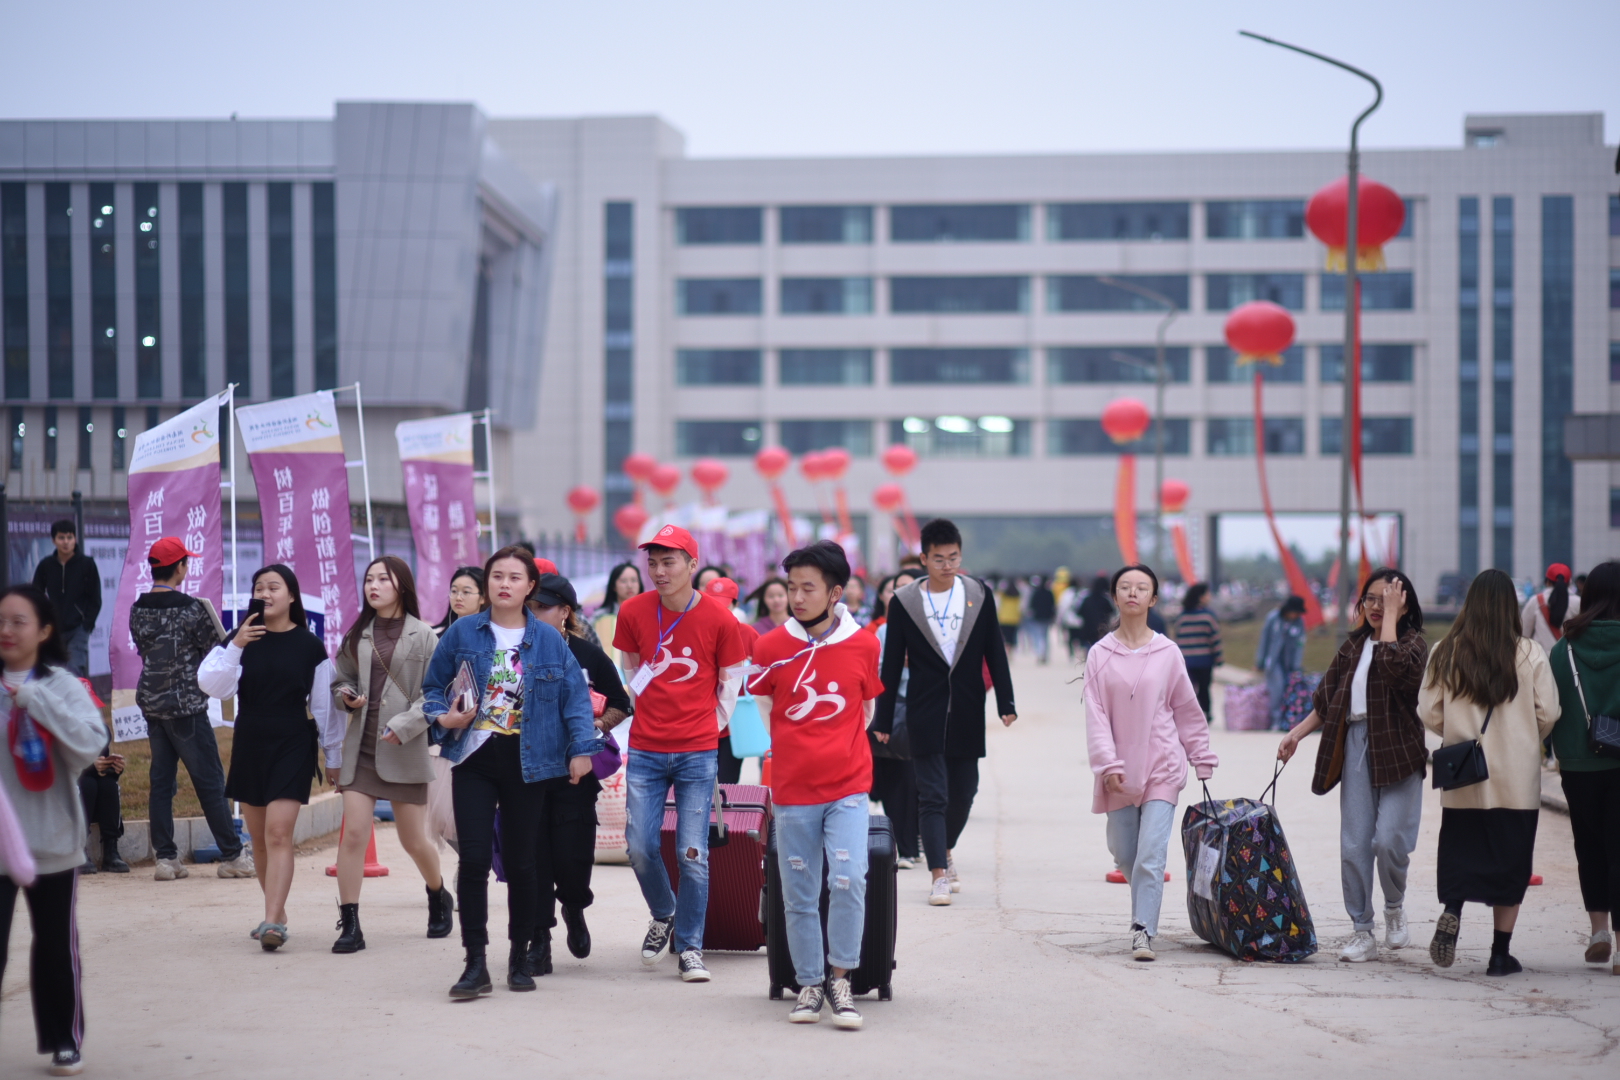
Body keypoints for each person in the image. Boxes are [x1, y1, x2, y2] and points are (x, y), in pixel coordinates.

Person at [423, 547, 601, 998]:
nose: (504, 583)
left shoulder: (548, 640)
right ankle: (474, 962)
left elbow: (575, 701)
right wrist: (444, 717)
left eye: (514, 577)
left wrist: (581, 750)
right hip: (474, 757)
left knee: (524, 862)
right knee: (476, 859)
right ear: (487, 584)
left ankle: (520, 957)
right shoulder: (462, 632)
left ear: (529, 587)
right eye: (496, 575)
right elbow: (432, 688)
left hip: (531, 760)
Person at [750, 540, 882, 1029]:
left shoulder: (864, 643)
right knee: (799, 892)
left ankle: (841, 977)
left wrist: (836, 749)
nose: (797, 597)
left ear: (835, 592)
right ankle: (808, 983)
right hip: (791, 788)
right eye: (791, 587)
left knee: (850, 880)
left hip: (847, 785)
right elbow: (765, 711)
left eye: (808, 588)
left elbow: (865, 711)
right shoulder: (769, 648)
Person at [613, 525, 749, 983]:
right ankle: (663, 911)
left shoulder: (720, 619)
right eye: (652, 562)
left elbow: (732, 677)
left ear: (692, 565)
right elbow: (630, 669)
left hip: (696, 751)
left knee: (693, 853)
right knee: (640, 846)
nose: (658, 571)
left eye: (668, 561)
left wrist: (712, 725)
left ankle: (691, 947)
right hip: (647, 748)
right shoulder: (633, 611)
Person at [1277, 568, 1428, 963]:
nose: (1377, 607)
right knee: (1355, 845)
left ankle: (1394, 907)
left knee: (1389, 840)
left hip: (1398, 749)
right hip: (1358, 745)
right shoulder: (1352, 647)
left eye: (1387, 599)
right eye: (1371, 599)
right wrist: (1296, 733)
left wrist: (1391, 620)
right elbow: (1327, 702)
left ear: (1403, 603)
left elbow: (1396, 670)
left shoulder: (1413, 645)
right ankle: (1363, 930)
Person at [1419, 569, 1559, 975]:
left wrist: (1456, 732)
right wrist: (1527, 737)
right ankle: (1500, 954)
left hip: (1465, 775)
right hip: (1515, 780)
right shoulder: (1530, 652)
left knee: (1462, 848)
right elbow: (1548, 712)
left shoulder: (1445, 650)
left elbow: (1428, 711)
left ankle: (1453, 909)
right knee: (1511, 859)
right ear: (1509, 606)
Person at [872, 518, 1016, 907]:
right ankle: (938, 872)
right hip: (924, 708)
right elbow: (891, 664)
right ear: (924, 558)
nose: (947, 565)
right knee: (932, 795)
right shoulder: (905, 602)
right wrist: (882, 720)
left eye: (953, 558)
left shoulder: (978, 594)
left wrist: (1006, 702)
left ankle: (945, 847)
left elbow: (994, 651)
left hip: (968, 708)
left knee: (964, 792)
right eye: (939, 559)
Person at [0, 585, 109, 1076]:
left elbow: (89, 744)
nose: (6, 630)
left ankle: (64, 1039)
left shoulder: (64, 685)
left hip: (50, 839)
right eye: (1, 620)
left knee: (54, 946)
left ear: (44, 631)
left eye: (18, 621)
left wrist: (34, 700)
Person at [198, 564, 334, 952]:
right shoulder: (241, 639)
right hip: (251, 739)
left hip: (293, 738)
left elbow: (323, 706)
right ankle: (276, 909)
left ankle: (272, 921)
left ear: (292, 596)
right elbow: (211, 685)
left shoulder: (310, 645)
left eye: (275, 587)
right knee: (258, 839)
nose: (267, 593)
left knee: (278, 833)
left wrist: (334, 755)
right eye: (260, 587)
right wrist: (237, 643)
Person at [1086, 564, 1217, 961]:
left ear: (1153, 599)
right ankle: (1142, 901)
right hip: (1120, 772)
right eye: (1125, 587)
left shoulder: (1167, 652)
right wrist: (1107, 764)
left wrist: (1200, 756)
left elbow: (1186, 708)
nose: (1132, 593)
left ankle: (1143, 929)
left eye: (1141, 588)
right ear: (1115, 596)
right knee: (1126, 851)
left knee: (1151, 854)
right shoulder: (1099, 654)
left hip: (1162, 764)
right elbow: (1095, 715)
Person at [326, 556, 453, 954]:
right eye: (368, 579)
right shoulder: (358, 634)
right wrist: (346, 697)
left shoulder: (425, 635)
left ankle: (438, 894)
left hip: (405, 746)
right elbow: (340, 679)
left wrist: (406, 725)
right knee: (354, 837)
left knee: (413, 839)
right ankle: (350, 924)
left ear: (402, 585)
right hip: (362, 746)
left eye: (383, 578)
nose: (373, 585)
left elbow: (436, 695)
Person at [128, 536, 253, 882]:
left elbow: (143, 650)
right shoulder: (193, 608)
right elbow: (217, 647)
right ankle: (232, 854)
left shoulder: (137, 609)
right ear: (181, 566)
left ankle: (166, 859)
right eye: (186, 562)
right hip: (187, 706)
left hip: (152, 705)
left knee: (160, 782)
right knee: (210, 781)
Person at [525, 571, 632, 976]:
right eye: (528, 606)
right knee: (533, 857)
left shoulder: (587, 656)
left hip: (577, 773)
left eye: (541, 607)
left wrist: (595, 727)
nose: (532, 614)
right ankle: (539, 938)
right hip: (529, 771)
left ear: (564, 612)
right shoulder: (515, 652)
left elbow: (622, 703)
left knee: (572, 859)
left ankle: (573, 905)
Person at [1547, 559, 1620, 974]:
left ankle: (1598, 933)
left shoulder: (1565, 648)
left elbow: (1551, 706)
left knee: (1589, 846)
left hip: (1577, 764)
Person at [869, 569, 922, 868]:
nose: (899, 593)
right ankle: (901, 845)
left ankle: (916, 840)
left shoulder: (937, 628)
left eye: (908, 587)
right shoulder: (884, 631)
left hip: (925, 707)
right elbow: (877, 669)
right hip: (893, 707)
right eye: (895, 589)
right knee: (894, 778)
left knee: (918, 780)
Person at [702, 575, 759, 785]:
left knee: (726, 784)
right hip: (701, 719)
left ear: (735, 604)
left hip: (735, 723)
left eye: (724, 605)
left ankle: (723, 819)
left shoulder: (747, 634)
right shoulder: (697, 632)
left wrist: (737, 670)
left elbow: (762, 670)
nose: (717, 611)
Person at [31, 520, 101, 677]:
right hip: (53, 630)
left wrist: (86, 626)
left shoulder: (87, 564)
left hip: (78, 629)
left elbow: (95, 599)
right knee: (51, 673)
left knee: (74, 671)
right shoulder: (46, 565)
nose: (66, 542)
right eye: (61, 538)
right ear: (53, 540)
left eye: (70, 537)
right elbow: (35, 595)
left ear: (75, 539)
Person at [1173, 583, 1223, 721]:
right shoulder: (1208, 616)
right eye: (1207, 594)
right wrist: (1218, 658)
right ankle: (1205, 713)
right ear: (1201, 597)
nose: (1209, 597)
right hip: (1204, 660)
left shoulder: (1182, 616)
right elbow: (1215, 639)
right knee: (1204, 688)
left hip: (1187, 660)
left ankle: (1188, 714)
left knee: (1188, 689)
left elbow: (1177, 638)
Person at [1257, 596, 1308, 731]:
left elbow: (1300, 644)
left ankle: (1287, 720)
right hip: (1272, 662)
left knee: (1288, 690)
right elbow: (1264, 640)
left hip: (1289, 662)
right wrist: (1260, 661)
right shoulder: (1273, 618)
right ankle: (1275, 720)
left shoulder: (1299, 622)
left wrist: (1297, 665)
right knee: (1277, 689)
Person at [77, 738, 127, 874]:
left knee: (108, 784)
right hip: (66, 795)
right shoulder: (63, 726)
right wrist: (89, 767)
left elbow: (99, 767)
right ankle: (78, 849)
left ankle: (111, 850)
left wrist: (113, 768)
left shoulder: (100, 730)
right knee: (87, 784)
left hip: (92, 800)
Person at [1522, 562, 1579, 654]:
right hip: (1569, 661)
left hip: (1541, 661)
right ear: (1569, 582)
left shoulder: (1536, 601)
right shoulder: (1579, 603)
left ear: (1547, 582)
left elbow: (1523, 634)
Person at [594, 562, 643, 666]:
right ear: (614, 586)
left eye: (634, 580)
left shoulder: (650, 616)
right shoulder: (600, 617)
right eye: (623, 581)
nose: (629, 586)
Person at [432, 565, 485, 635]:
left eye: (466, 592)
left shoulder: (491, 636)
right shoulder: (434, 636)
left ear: (482, 598)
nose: (458, 598)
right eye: (454, 591)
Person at [1078, 575, 1115, 655]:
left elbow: (1079, 612)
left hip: (1088, 629)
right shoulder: (1105, 600)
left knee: (1089, 650)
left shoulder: (1087, 599)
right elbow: (1112, 612)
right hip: (1102, 629)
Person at [1024, 573, 1056, 665]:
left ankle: (1039, 654)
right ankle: (1044, 654)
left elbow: (1032, 605)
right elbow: (1053, 606)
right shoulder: (1049, 593)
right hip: (1047, 617)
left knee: (1037, 636)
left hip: (1037, 617)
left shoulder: (1036, 593)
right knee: (1045, 637)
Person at [996, 579, 1021, 652]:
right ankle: (1010, 651)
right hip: (1015, 618)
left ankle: (1006, 650)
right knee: (1012, 636)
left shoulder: (1003, 595)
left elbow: (998, 605)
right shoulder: (1018, 595)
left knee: (1005, 636)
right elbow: (1021, 607)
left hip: (1004, 618)